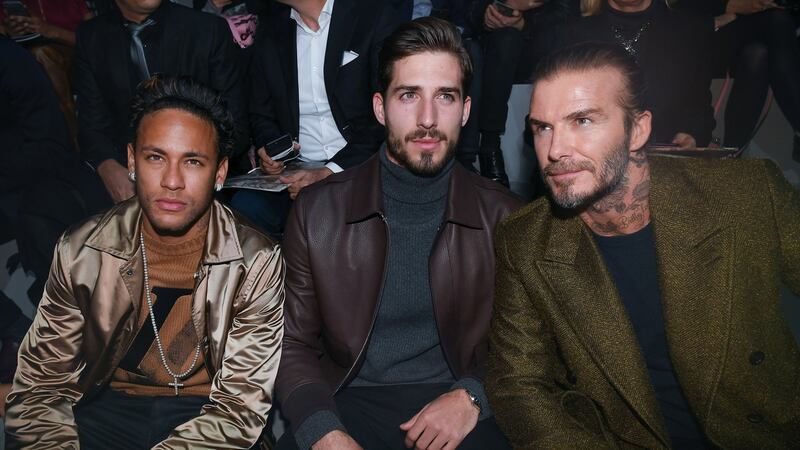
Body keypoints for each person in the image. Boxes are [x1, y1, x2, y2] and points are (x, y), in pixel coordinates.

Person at [486, 41, 800, 449]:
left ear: (638, 130)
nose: (555, 150)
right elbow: (518, 385)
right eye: (542, 127)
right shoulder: (525, 241)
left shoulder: (747, 194)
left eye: (581, 120)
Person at [275, 17, 522, 450]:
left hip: (458, 399)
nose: (427, 119)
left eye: (444, 97)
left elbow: (526, 344)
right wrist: (321, 431)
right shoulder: (317, 213)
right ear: (379, 107)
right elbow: (292, 345)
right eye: (409, 96)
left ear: (465, 110)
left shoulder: (504, 217)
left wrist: (473, 396)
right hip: (344, 401)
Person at [4, 74, 285, 450]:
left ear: (219, 172)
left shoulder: (256, 260)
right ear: (131, 160)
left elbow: (239, 407)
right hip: (106, 406)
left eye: (193, 162)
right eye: (156, 157)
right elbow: (41, 388)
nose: (171, 180)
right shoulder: (82, 249)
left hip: (209, 414)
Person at [230, 0, 398, 239]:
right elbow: (260, 113)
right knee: (245, 207)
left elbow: (391, 115)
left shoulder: (372, 16)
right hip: (296, 171)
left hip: (361, 163)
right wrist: (273, 149)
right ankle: (269, 276)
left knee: (337, 212)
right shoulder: (272, 27)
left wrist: (328, 173)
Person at [74, 0, 248, 205]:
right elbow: (91, 124)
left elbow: (236, 128)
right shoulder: (92, 36)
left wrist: (191, 169)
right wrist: (107, 166)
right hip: (126, 173)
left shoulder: (207, 30)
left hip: (200, 171)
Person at [562, 0, 715, 148]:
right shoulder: (572, 35)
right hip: (592, 159)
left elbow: (699, 104)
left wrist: (692, 135)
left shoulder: (689, 30)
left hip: (664, 161)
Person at [467, 0, 580, 185]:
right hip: (498, 47)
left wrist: (525, 25)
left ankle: (491, 146)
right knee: (506, 39)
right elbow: (471, 11)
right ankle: (490, 146)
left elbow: (567, 19)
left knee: (512, 39)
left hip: (544, 51)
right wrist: (487, 15)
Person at [676, 0, 800, 157]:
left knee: (757, 54)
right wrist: (726, 6)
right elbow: (674, 6)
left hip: (746, 27)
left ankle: (732, 154)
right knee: (777, 22)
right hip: (699, 30)